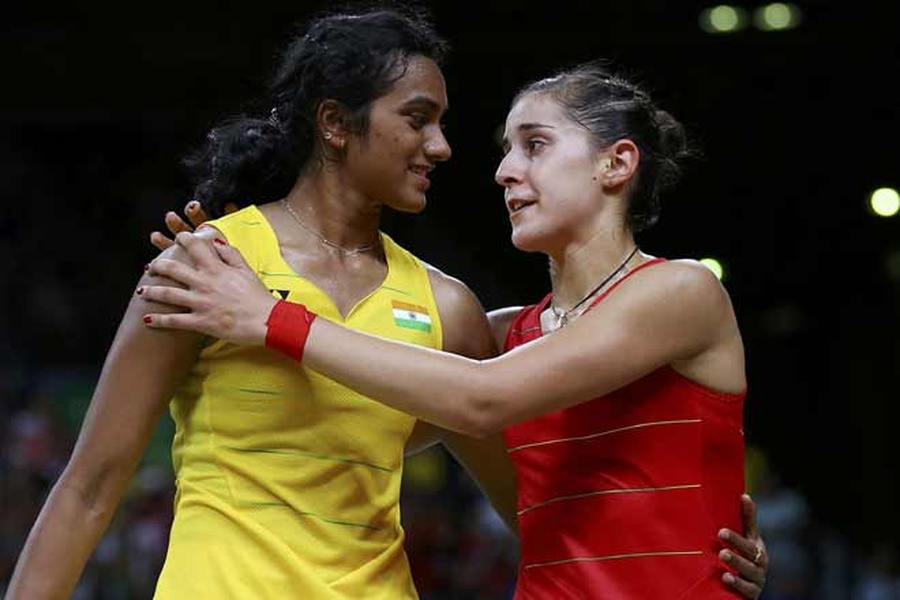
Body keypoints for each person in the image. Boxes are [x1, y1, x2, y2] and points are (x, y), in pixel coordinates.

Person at [138, 61, 767, 597]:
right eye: (506, 151)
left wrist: (269, 316)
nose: (504, 171)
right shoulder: (498, 337)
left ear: (616, 162)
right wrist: (232, 261)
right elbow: (348, 418)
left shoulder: (681, 291)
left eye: (535, 144)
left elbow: (484, 396)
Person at [7, 7, 517, 599]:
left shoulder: (447, 307)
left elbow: (527, 509)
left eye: (441, 123)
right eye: (417, 119)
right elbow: (90, 486)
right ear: (334, 122)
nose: (441, 146)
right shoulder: (209, 267)